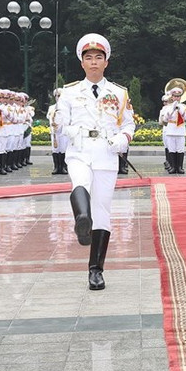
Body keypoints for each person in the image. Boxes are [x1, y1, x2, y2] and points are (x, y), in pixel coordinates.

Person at [55, 33, 135, 291]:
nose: (93, 62)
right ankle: (82, 220)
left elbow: (129, 123)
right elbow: (60, 121)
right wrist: (65, 129)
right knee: (80, 182)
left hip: (105, 153)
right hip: (79, 149)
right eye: (88, 58)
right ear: (81, 63)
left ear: (106, 62)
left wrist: (122, 139)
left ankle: (96, 270)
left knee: (103, 210)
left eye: (98, 58)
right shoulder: (69, 92)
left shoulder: (119, 93)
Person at [160, 87, 186, 174]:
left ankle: (179, 167)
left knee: (180, 149)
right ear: (172, 97)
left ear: (180, 97)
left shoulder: (183, 107)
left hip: (180, 130)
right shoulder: (168, 107)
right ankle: (173, 167)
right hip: (171, 129)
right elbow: (165, 119)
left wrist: (180, 110)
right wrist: (172, 110)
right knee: (172, 149)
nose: (176, 98)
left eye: (178, 96)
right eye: (175, 96)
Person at [47, 88, 69, 175]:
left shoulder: (66, 108)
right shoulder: (52, 107)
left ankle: (63, 167)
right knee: (55, 148)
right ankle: (56, 167)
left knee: (63, 148)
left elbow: (67, 120)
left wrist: (60, 126)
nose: (58, 97)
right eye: (56, 95)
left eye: (59, 95)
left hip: (63, 130)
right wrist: (54, 125)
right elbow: (49, 117)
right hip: (55, 131)